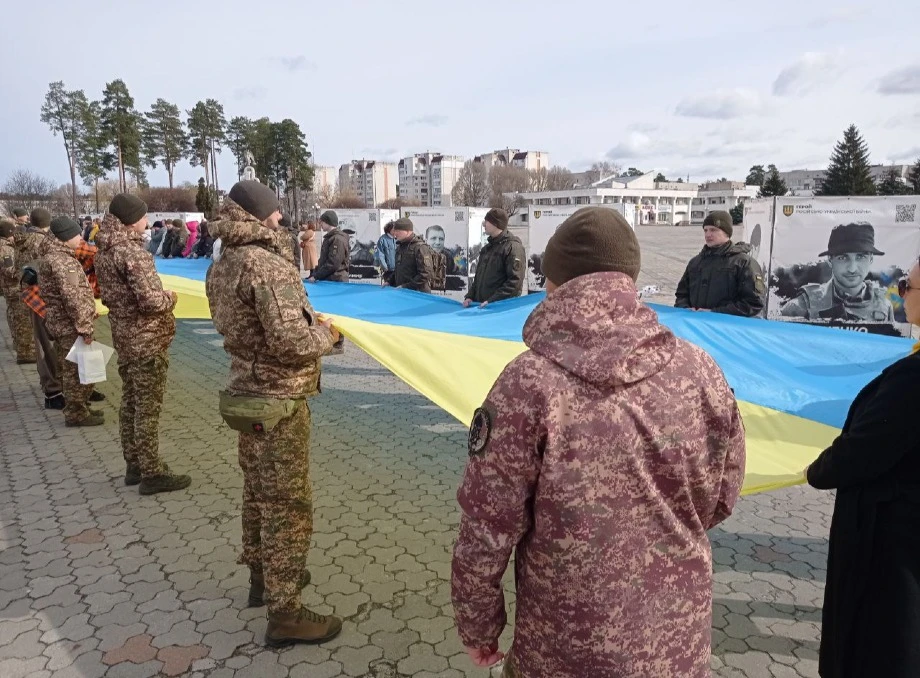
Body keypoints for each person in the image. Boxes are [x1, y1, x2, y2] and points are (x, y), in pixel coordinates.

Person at [451, 206, 746, 677]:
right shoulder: (701, 371)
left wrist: (478, 627)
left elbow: (487, 527)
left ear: (555, 282)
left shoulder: (528, 383)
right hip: (676, 643)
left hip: (561, 650)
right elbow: (722, 496)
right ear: (629, 277)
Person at [206, 180, 342, 646]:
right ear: (259, 215)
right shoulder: (266, 265)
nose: (281, 219)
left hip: (246, 395)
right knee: (288, 504)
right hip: (278, 402)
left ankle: (262, 578)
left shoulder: (222, 264)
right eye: (276, 212)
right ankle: (285, 613)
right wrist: (331, 338)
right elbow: (291, 342)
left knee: (257, 493)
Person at [804, 259, 920, 678]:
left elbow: (863, 451)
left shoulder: (913, 380)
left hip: (893, 547)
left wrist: (813, 470)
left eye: (909, 285)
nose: (902, 291)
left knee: (886, 646)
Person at [95, 194, 191, 495]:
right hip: (146, 340)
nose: (146, 222)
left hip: (125, 338)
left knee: (131, 403)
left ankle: (134, 464)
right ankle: (153, 472)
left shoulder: (104, 251)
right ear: (130, 219)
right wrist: (171, 298)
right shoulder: (131, 253)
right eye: (142, 216)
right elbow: (150, 301)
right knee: (147, 408)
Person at [37, 217, 101, 427]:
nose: (80, 239)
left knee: (74, 367)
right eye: (76, 235)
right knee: (75, 370)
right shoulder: (63, 262)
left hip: (64, 322)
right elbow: (72, 297)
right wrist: (85, 326)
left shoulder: (55, 257)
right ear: (65, 237)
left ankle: (80, 407)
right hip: (71, 325)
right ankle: (76, 413)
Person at [781, 222, 894, 324]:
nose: (852, 269)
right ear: (830, 259)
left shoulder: (883, 306)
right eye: (842, 258)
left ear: (871, 259)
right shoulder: (803, 305)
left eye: (860, 257)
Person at [15, 208, 64, 408]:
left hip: (31, 295)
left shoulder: (22, 241)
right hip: (44, 297)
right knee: (49, 345)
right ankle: (54, 392)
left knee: (41, 343)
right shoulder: (43, 242)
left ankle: (52, 387)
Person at [675, 210, 765, 316]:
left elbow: (753, 303)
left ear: (726, 232)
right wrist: (685, 308)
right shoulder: (695, 262)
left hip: (725, 328)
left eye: (713, 230)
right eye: (705, 230)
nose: (708, 234)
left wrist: (715, 313)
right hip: (695, 326)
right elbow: (682, 295)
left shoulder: (744, 263)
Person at [464, 208, 525, 308]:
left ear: (496, 224)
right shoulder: (487, 249)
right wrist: (470, 296)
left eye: (487, 221)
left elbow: (515, 283)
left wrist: (492, 301)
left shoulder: (513, 248)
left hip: (499, 310)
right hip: (483, 307)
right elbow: (478, 279)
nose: (484, 224)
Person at [1, 219, 36, 363]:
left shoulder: (7, 245)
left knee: (16, 317)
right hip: (14, 289)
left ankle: (22, 348)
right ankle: (26, 353)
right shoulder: (5, 248)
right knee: (21, 321)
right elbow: (9, 270)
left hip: (11, 289)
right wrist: (25, 273)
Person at [390, 218, 432, 293]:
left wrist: (406, 287)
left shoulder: (420, 248)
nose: (395, 234)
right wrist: (389, 281)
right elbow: (399, 269)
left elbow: (425, 274)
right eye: (394, 231)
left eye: (398, 231)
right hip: (403, 292)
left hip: (417, 294)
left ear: (408, 231)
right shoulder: (400, 247)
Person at [308, 211, 349, 283]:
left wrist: (316, 276)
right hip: (330, 279)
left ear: (328, 222)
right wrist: (314, 273)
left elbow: (333, 264)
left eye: (322, 222)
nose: (320, 225)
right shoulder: (330, 238)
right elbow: (323, 260)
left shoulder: (337, 239)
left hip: (336, 280)